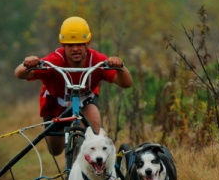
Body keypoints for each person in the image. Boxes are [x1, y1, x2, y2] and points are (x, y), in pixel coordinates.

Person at [15, 16, 133, 156]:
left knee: (94, 137)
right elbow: (20, 74)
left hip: (85, 101)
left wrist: (120, 66)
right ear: (63, 45)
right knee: (55, 151)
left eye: (80, 44)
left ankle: (88, 168)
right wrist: (27, 64)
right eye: (70, 45)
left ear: (87, 44)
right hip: (56, 104)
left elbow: (126, 83)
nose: (75, 49)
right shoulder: (55, 60)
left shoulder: (97, 60)